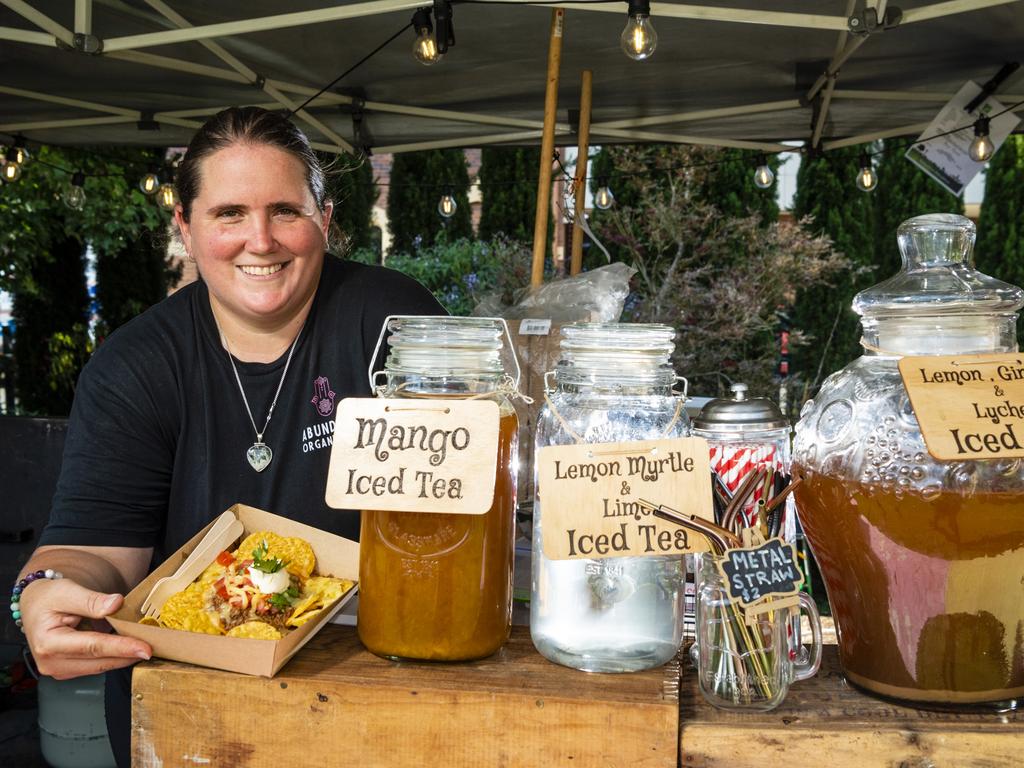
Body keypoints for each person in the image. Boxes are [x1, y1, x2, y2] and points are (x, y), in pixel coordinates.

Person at [15, 106, 445, 766]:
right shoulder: (136, 366)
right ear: (185, 228)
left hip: (380, 696)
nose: (261, 240)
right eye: (229, 215)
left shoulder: (395, 323)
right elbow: (95, 549)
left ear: (325, 221)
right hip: (192, 719)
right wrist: (44, 591)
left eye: (286, 211)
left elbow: (453, 509)